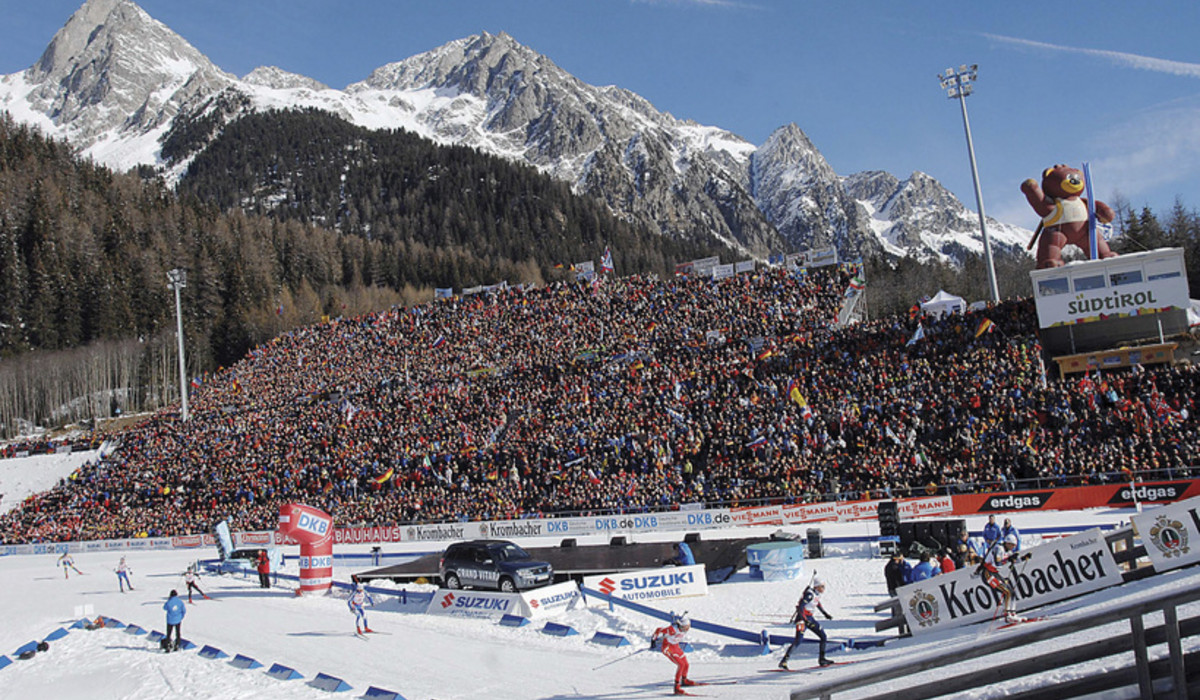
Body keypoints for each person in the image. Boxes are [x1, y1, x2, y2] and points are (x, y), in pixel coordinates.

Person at [779, 578, 833, 670]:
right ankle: (784, 661)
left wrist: (825, 614)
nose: (824, 588)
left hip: (810, 618)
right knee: (798, 640)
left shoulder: (816, 594)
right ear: (816, 587)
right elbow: (801, 607)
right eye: (822, 586)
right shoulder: (809, 595)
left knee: (823, 636)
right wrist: (805, 620)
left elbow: (817, 603)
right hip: (802, 619)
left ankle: (822, 659)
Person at [977, 534, 1026, 623]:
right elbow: (997, 564)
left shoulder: (1007, 550)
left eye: (1014, 545)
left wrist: (1023, 558)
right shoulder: (999, 548)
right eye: (1012, 545)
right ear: (1007, 543)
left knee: (1012, 592)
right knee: (1007, 592)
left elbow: (1012, 560)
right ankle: (1007, 615)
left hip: (994, 573)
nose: (1013, 547)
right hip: (988, 573)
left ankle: (1013, 614)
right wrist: (1009, 559)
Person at [651, 614, 695, 695]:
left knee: (686, 664)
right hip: (668, 648)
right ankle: (677, 687)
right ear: (681, 625)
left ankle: (684, 680)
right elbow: (658, 630)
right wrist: (653, 640)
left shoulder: (681, 629)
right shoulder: (672, 629)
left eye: (688, 626)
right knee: (681, 665)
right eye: (686, 627)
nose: (687, 629)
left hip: (675, 646)